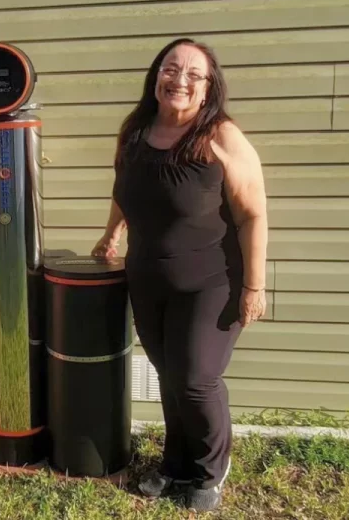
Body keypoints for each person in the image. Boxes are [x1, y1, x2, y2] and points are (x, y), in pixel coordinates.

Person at [92, 38, 267, 512]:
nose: (180, 80)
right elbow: (124, 187)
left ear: (209, 88)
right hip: (147, 278)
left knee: (196, 379)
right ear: (156, 76)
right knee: (170, 375)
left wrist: (254, 285)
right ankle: (175, 465)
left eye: (194, 74)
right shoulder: (135, 131)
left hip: (212, 281)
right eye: (171, 69)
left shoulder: (222, 136)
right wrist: (112, 234)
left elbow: (253, 214)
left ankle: (210, 472)